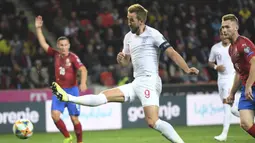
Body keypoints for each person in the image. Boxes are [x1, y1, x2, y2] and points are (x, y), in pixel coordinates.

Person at [51, 4, 199, 143]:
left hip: (150, 81)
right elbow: (126, 62)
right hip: (136, 82)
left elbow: (171, 53)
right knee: (103, 97)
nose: (128, 22)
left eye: (131, 20)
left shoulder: (154, 34)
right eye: (128, 19)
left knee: (153, 122)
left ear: (140, 20)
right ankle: (68, 97)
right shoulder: (128, 37)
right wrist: (121, 59)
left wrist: (186, 69)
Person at [35, 16, 87, 143]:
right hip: (58, 90)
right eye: (61, 45)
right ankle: (67, 137)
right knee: (55, 116)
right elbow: (43, 44)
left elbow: (83, 69)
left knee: (74, 119)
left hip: (72, 90)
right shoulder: (55, 54)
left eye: (65, 45)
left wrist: (83, 83)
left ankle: (79, 141)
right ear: (58, 46)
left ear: (69, 45)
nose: (63, 47)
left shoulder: (73, 57)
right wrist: (38, 29)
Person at [222, 14, 255, 138]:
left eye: (227, 27)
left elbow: (254, 63)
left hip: (250, 87)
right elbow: (238, 72)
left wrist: (248, 86)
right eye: (222, 27)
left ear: (236, 27)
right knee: (245, 123)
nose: (224, 30)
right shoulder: (231, 49)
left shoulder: (244, 43)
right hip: (248, 89)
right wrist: (232, 93)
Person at [208, 28, 240, 141]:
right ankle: (251, 119)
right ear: (220, 36)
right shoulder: (215, 48)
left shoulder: (234, 47)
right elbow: (210, 62)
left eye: (226, 34)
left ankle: (224, 135)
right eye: (222, 34)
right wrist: (216, 67)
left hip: (231, 79)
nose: (224, 36)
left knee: (227, 106)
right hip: (220, 80)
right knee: (232, 109)